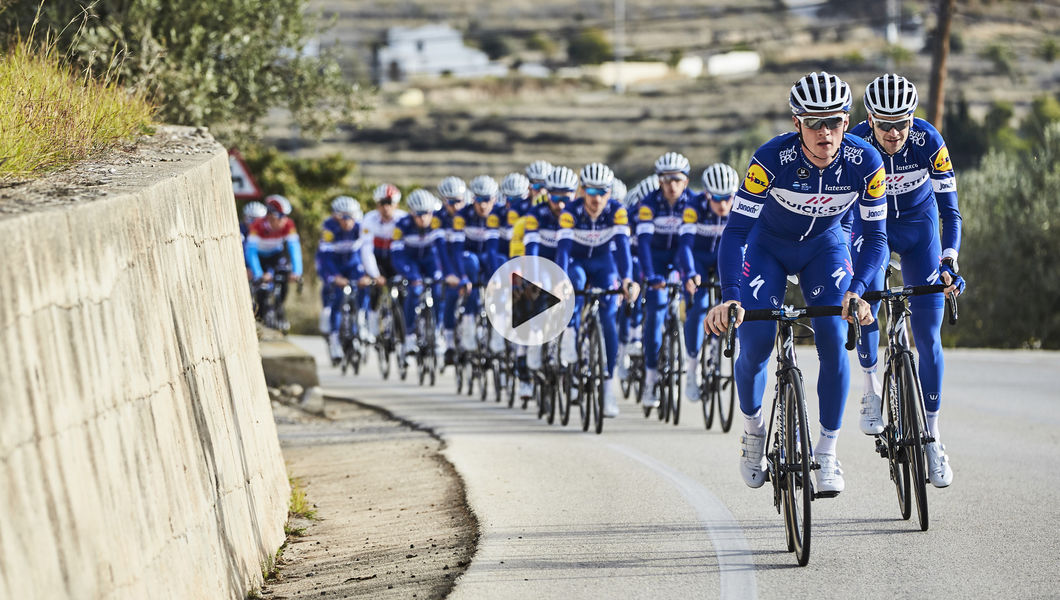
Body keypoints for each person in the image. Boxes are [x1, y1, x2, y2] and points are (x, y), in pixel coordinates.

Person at [704, 71, 887, 495]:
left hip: (824, 248)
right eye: (813, 123)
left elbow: (876, 238)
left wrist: (858, 290)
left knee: (834, 334)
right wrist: (730, 297)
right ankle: (752, 432)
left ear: (847, 120)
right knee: (755, 342)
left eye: (835, 122)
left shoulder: (866, 163)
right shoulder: (770, 159)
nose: (825, 133)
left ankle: (826, 451)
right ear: (796, 123)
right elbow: (734, 233)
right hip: (766, 247)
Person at [849, 73, 965, 487]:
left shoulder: (929, 141)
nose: (895, 133)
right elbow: (844, 215)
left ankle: (932, 436)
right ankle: (869, 385)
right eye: (885, 124)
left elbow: (950, 211)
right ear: (870, 119)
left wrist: (949, 262)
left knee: (928, 335)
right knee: (865, 308)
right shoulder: (856, 145)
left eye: (903, 123)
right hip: (872, 230)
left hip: (920, 231)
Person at [555, 163, 639, 418]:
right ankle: (570, 335)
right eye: (591, 192)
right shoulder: (570, 211)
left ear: (609, 192)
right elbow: (564, 250)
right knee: (576, 281)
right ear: (582, 191)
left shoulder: (617, 211)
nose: (597, 198)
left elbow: (623, 247)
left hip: (605, 266)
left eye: (603, 192)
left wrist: (627, 280)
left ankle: (607, 387)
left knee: (608, 320)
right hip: (577, 263)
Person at [636, 152, 698, 409]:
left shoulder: (694, 202)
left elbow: (692, 246)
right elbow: (644, 245)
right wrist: (651, 276)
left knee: (694, 305)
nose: (671, 185)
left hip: (682, 258)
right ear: (659, 181)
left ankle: (693, 361)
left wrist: (691, 275)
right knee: (656, 313)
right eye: (665, 179)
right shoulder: (648, 204)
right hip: (657, 260)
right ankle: (650, 378)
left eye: (677, 179)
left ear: (685, 181)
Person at [678, 163, 738, 402]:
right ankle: (692, 368)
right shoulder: (693, 207)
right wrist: (690, 273)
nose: (723, 204)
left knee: (736, 303)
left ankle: (728, 352)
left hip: (726, 259)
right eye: (716, 198)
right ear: (706, 194)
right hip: (700, 261)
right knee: (699, 307)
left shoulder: (740, 207)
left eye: (728, 197)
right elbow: (684, 246)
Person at [317, 195, 378, 365]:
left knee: (364, 288)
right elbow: (325, 258)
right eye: (343, 217)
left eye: (351, 217)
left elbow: (366, 252)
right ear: (336, 217)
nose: (347, 221)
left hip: (353, 265)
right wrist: (334, 277)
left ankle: (361, 320)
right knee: (337, 297)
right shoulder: (329, 229)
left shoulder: (361, 227)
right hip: (334, 265)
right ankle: (335, 340)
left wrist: (368, 275)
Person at [451, 175, 505, 357]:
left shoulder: (499, 214)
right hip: (469, 257)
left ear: (495, 199)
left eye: (487, 200)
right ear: (472, 199)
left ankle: (498, 329)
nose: (483, 205)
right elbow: (457, 250)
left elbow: (494, 249)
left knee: (499, 261)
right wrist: (462, 277)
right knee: (471, 264)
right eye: (479, 199)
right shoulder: (462, 215)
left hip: (490, 256)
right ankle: (468, 323)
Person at [390, 189, 447, 357]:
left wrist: (443, 273)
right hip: (410, 261)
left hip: (431, 260)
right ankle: (409, 336)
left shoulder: (438, 223)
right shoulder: (402, 226)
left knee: (438, 291)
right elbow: (396, 255)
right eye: (418, 214)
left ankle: (437, 332)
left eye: (426, 213)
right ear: (411, 213)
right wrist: (409, 275)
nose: (423, 218)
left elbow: (442, 251)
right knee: (414, 291)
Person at [615, 175, 658, 379]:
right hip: (632, 260)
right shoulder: (630, 215)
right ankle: (626, 340)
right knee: (631, 292)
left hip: (650, 261)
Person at [245, 194, 303, 330]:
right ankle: (261, 314)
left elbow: (294, 248)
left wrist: (297, 271)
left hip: (276, 255)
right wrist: (258, 273)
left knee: (284, 275)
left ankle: (279, 307)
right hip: (260, 257)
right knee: (262, 286)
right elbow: (251, 253)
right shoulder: (257, 226)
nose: (285, 220)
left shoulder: (288, 225)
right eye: (282, 217)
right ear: (271, 216)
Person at [361, 183, 408, 340]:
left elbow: (405, 250)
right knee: (375, 291)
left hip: (397, 260)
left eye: (389, 203)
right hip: (378, 260)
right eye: (382, 203)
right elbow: (366, 250)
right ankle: (373, 327)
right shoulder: (369, 219)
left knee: (403, 293)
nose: (386, 207)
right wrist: (374, 274)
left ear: (396, 204)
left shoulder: (403, 219)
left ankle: (401, 327)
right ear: (377, 204)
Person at [436, 176, 469, 362]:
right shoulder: (438, 219)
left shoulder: (468, 215)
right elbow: (440, 250)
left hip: (464, 259)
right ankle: (448, 343)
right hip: (445, 259)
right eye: (451, 202)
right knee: (451, 294)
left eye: (459, 201)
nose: (455, 206)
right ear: (443, 201)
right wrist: (449, 274)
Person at [509, 160, 554, 258]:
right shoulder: (518, 207)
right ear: (529, 186)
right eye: (537, 186)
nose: (542, 191)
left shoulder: (560, 205)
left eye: (545, 186)